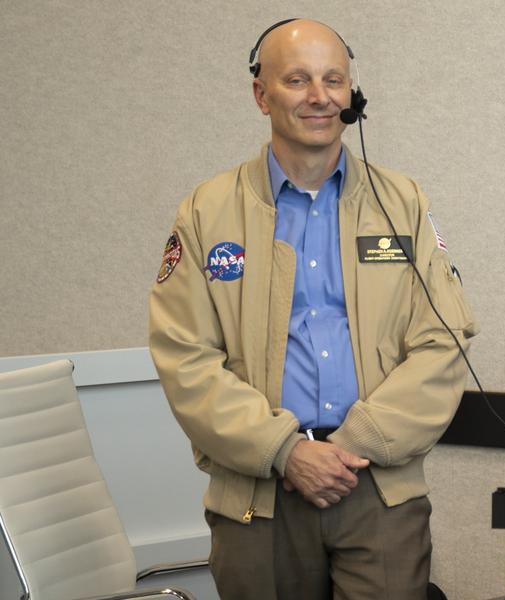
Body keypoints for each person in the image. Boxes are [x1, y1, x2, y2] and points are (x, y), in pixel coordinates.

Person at [148, 18, 475, 600]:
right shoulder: (207, 212)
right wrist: (286, 451)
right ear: (261, 95)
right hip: (260, 494)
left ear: (352, 93)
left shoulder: (402, 203)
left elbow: (443, 341)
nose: (320, 96)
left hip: (376, 487)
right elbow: (185, 358)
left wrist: (354, 443)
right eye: (297, 80)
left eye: (334, 79)